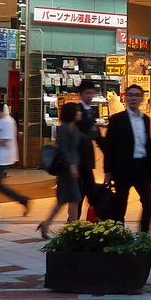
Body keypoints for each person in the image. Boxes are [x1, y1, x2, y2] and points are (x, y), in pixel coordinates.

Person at [103, 84, 151, 231]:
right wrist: (108, 171)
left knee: (148, 201)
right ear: (125, 98)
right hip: (122, 167)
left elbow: (146, 143)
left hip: (141, 167)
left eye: (136, 95)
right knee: (120, 203)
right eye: (130, 95)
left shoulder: (145, 119)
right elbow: (109, 146)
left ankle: (144, 234)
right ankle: (118, 233)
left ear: (142, 98)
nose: (133, 98)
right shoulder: (117, 119)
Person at [38, 101, 85, 239]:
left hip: (72, 168)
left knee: (63, 200)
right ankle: (74, 228)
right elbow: (64, 149)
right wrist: (71, 165)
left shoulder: (74, 128)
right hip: (67, 169)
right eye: (77, 111)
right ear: (72, 114)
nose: (80, 113)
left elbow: (83, 141)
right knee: (75, 198)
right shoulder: (64, 129)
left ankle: (46, 224)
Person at [74, 79, 104, 217]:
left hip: (86, 158)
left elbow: (96, 137)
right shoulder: (77, 111)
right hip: (79, 158)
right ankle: (74, 222)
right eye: (87, 93)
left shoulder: (90, 111)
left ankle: (79, 221)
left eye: (92, 93)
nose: (90, 96)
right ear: (80, 94)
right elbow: (79, 134)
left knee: (87, 191)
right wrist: (93, 130)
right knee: (84, 192)